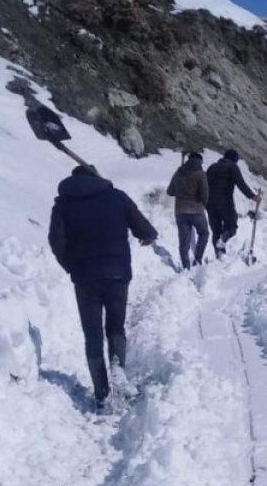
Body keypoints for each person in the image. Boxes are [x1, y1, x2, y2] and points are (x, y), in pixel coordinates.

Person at [48, 164, 157, 412]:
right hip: (117, 274)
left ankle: (101, 394)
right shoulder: (117, 197)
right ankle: (117, 365)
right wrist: (148, 236)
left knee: (92, 334)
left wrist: (71, 265)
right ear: (96, 178)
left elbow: (56, 242)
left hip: (84, 278)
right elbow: (145, 229)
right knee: (115, 326)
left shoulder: (63, 205)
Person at [205, 148, 261, 258]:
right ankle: (223, 240)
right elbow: (241, 183)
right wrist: (253, 196)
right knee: (231, 226)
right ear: (234, 159)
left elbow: (204, 185)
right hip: (225, 202)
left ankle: (220, 255)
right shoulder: (232, 167)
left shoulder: (211, 167)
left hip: (210, 204)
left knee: (216, 230)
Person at [167, 152, 210, 269]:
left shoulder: (178, 172)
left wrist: (181, 189)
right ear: (200, 162)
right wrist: (203, 204)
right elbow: (205, 195)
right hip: (197, 211)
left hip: (180, 212)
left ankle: (186, 267)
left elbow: (170, 191)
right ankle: (197, 259)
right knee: (204, 233)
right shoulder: (201, 175)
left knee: (184, 242)